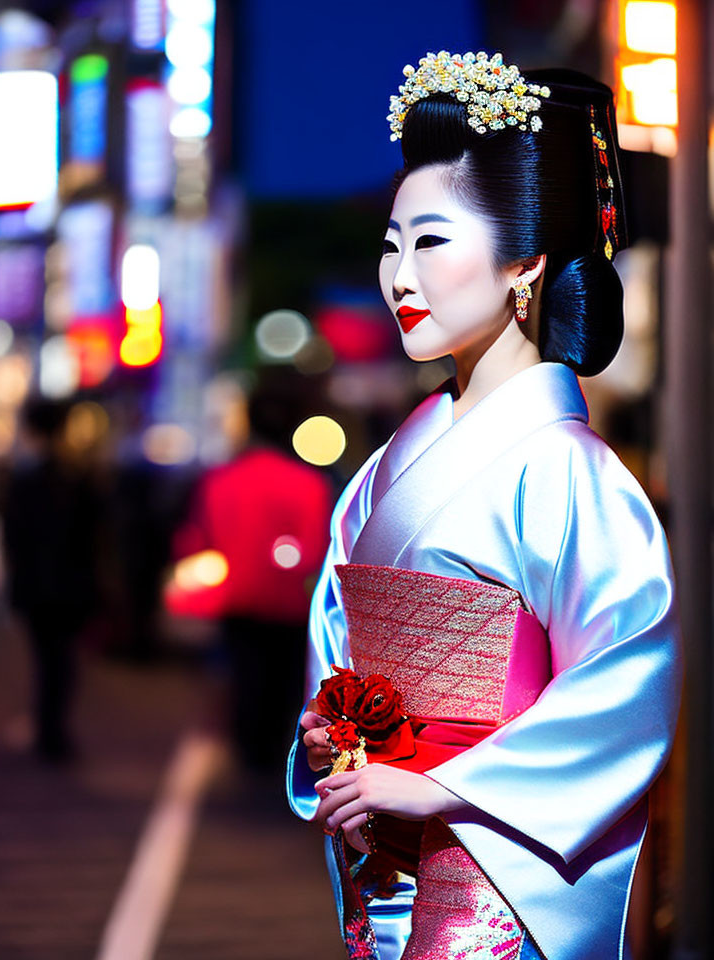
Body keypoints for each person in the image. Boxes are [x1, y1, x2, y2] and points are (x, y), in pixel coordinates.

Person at [286, 52, 682, 960]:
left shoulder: (567, 468)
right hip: (387, 832)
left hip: (495, 860)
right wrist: (336, 740)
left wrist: (446, 786)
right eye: (390, 245)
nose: (398, 275)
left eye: (429, 242)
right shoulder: (393, 460)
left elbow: (627, 678)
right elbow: (339, 633)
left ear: (525, 264)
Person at [173, 378, 333, 771]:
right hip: (291, 602)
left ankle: (249, 755)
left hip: (239, 597)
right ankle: (276, 756)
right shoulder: (309, 484)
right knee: (283, 685)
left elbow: (196, 541)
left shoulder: (220, 479)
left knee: (245, 679)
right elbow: (314, 550)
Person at [2, 400, 99, 762]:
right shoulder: (79, 477)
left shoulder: (26, 479)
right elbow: (92, 538)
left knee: (48, 660)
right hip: (70, 587)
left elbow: (14, 538)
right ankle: (52, 730)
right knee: (61, 661)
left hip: (38, 587)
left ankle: (49, 730)